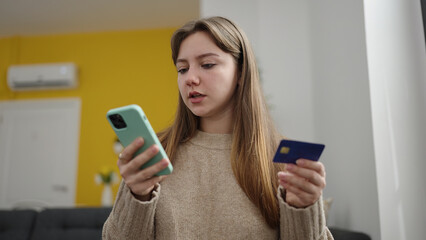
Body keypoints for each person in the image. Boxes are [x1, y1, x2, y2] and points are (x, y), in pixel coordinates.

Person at [102, 16, 333, 239]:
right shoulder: (155, 156)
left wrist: (303, 209)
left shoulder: (282, 161)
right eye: (182, 69)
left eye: (207, 64)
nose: (190, 78)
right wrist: (136, 196)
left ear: (241, 73)